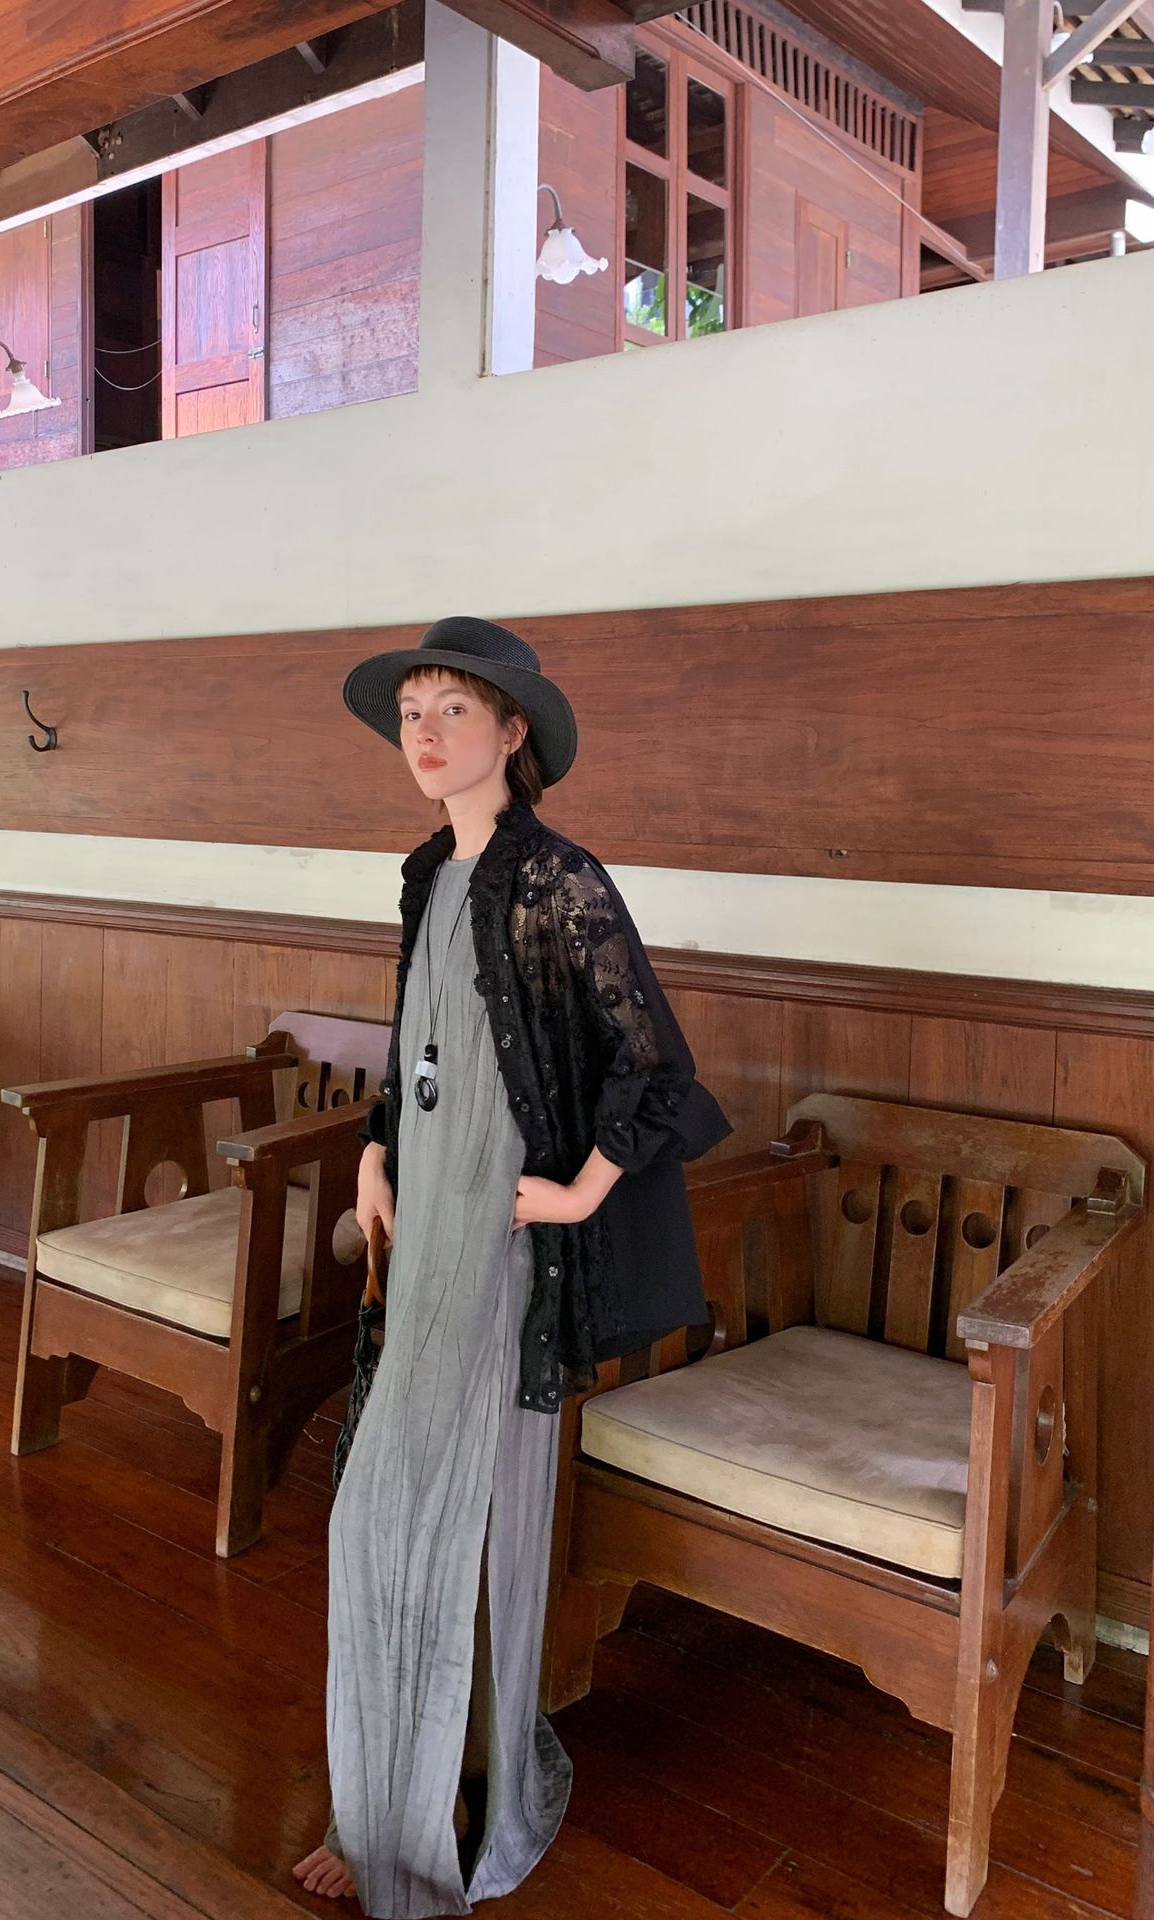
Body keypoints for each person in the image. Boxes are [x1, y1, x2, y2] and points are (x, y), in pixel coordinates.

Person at [293, 616, 731, 1916]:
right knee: (380, 1523)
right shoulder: (427, 872)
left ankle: (422, 1828)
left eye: (452, 711)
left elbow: (656, 1068)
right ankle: (381, 1806)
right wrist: (375, 1150)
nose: (425, 736)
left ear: (512, 729)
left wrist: (579, 1189)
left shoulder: (560, 881)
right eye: (411, 714)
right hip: (420, 1219)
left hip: (502, 1244)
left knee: (444, 1533)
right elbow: (417, 1036)